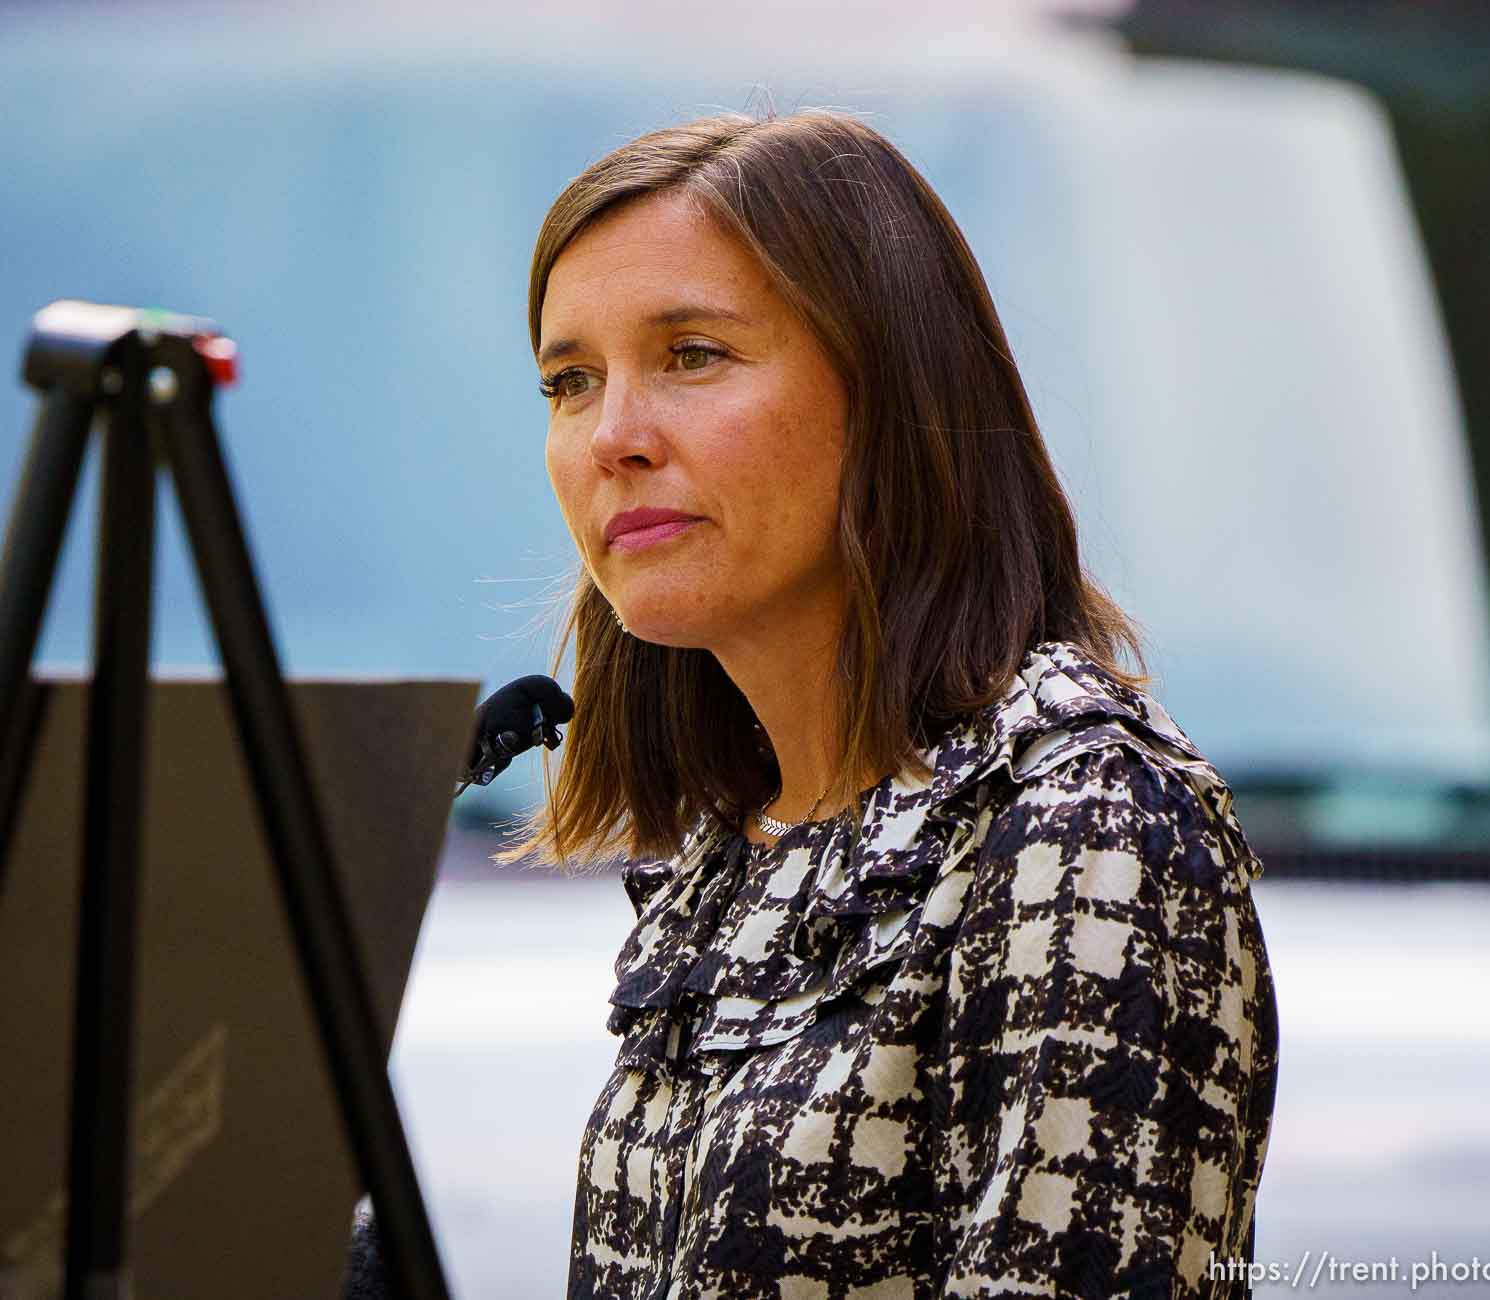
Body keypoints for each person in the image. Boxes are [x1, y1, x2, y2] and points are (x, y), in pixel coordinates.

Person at [342, 108, 1276, 1299]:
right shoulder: (735, 846)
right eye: (569, 381)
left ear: (891, 387)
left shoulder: (1088, 820)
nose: (612, 435)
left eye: (692, 355)